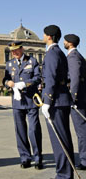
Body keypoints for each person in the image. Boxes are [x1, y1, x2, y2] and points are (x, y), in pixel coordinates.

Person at [3, 41, 42, 169]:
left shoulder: (32, 61)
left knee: (33, 130)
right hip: (17, 102)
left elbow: (37, 78)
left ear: (22, 49)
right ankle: (25, 157)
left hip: (31, 100)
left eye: (16, 50)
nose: (14, 53)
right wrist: (7, 82)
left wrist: (25, 83)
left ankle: (37, 158)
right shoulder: (9, 64)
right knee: (20, 131)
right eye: (12, 51)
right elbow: (5, 79)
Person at [42, 25, 74, 179]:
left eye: (44, 34)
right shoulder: (59, 52)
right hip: (61, 99)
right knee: (63, 138)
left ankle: (64, 174)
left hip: (56, 101)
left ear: (49, 36)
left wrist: (47, 101)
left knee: (59, 140)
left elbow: (51, 78)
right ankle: (65, 172)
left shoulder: (51, 54)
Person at [64, 34, 86, 171]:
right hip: (81, 98)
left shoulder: (73, 57)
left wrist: (73, 97)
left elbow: (75, 78)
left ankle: (84, 160)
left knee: (81, 131)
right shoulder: (77, 55)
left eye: (65, 41)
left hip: (78, 100)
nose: (64, 42)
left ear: (70, 43)